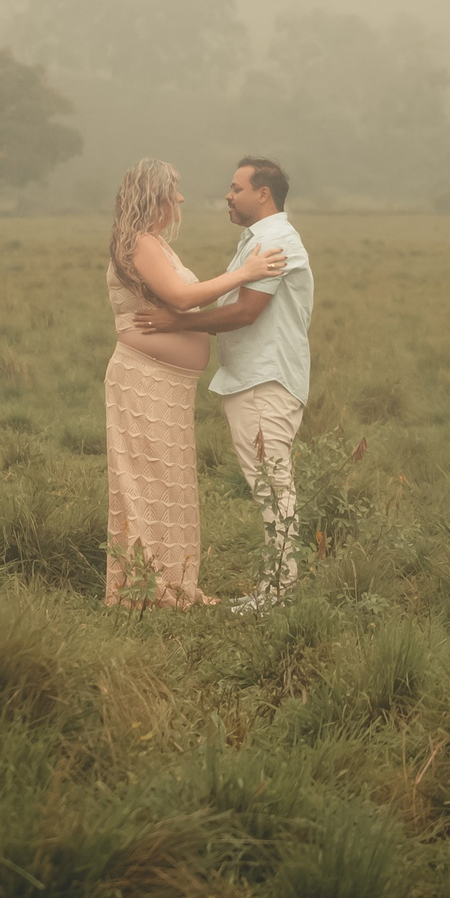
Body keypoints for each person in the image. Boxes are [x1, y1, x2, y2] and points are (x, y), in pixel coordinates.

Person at [103, 159, 288, 608]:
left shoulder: (156, 245)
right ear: (156, 197)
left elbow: (180, 306)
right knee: (147, 482)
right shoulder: (142, 244)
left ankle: (168, 583)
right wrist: (245, 273)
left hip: (167, 385)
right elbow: (183, 298)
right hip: (144, 381)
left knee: (168, 483)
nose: (181, 200)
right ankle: (147, 590)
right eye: (175, 192)